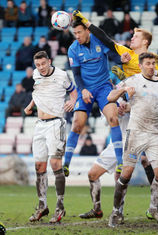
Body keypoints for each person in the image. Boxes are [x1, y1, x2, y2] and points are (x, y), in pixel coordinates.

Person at [73, 10, 158, 212]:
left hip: (154, 110)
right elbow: (106, 40)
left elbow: (157, 88)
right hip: (134, 111)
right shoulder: (128, 55)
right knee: (141, 158)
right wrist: (88, 24)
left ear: (145, 43)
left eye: (135, 36)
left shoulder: (153, 61)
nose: (131, 38)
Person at [106, 52, 158, 227]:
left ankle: (154, 209)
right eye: (147, 63)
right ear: (140, 65)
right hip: (136, 133)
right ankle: (116, 212)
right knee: (126, 174)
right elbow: (110, 97)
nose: (151, 66)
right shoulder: (133, 80)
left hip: (155, 133)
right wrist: (124, 91)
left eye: (153, 63)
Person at [63, 20, 123, 180]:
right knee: (76, 125)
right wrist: (82, 89)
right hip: (86, 90)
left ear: (87, 31)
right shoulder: (73, 49)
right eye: (74, 33)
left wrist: (121, 59)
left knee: (113, 118)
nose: (77, 36)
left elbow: (113, 55)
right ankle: (66, 164)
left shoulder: (98, 41)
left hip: (104, 87)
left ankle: (120, 162)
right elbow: (75, 74)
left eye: (79, 32)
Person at [24, 51, 77, 223]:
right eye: (38, 65)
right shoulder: (36, 75)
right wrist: (30, 105)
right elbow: (37, 92)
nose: (41, 68)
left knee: (55, 163)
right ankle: (42, 206)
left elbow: (73, 91)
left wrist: (72, 101)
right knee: (39, 166)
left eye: (43, 64)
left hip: (56, 123)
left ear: (49, 61)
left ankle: (60, 207)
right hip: (39, 124)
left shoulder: (62, 75)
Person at [78, 99, 129, 219]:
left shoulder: (133, 90)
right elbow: (108, 121)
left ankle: (118, 212)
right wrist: (113, 111)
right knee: (92, 174)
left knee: (120, 177)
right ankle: (97, 210)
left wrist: (128, 107)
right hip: (114, 144)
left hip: (130, 141)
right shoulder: (105, 100)